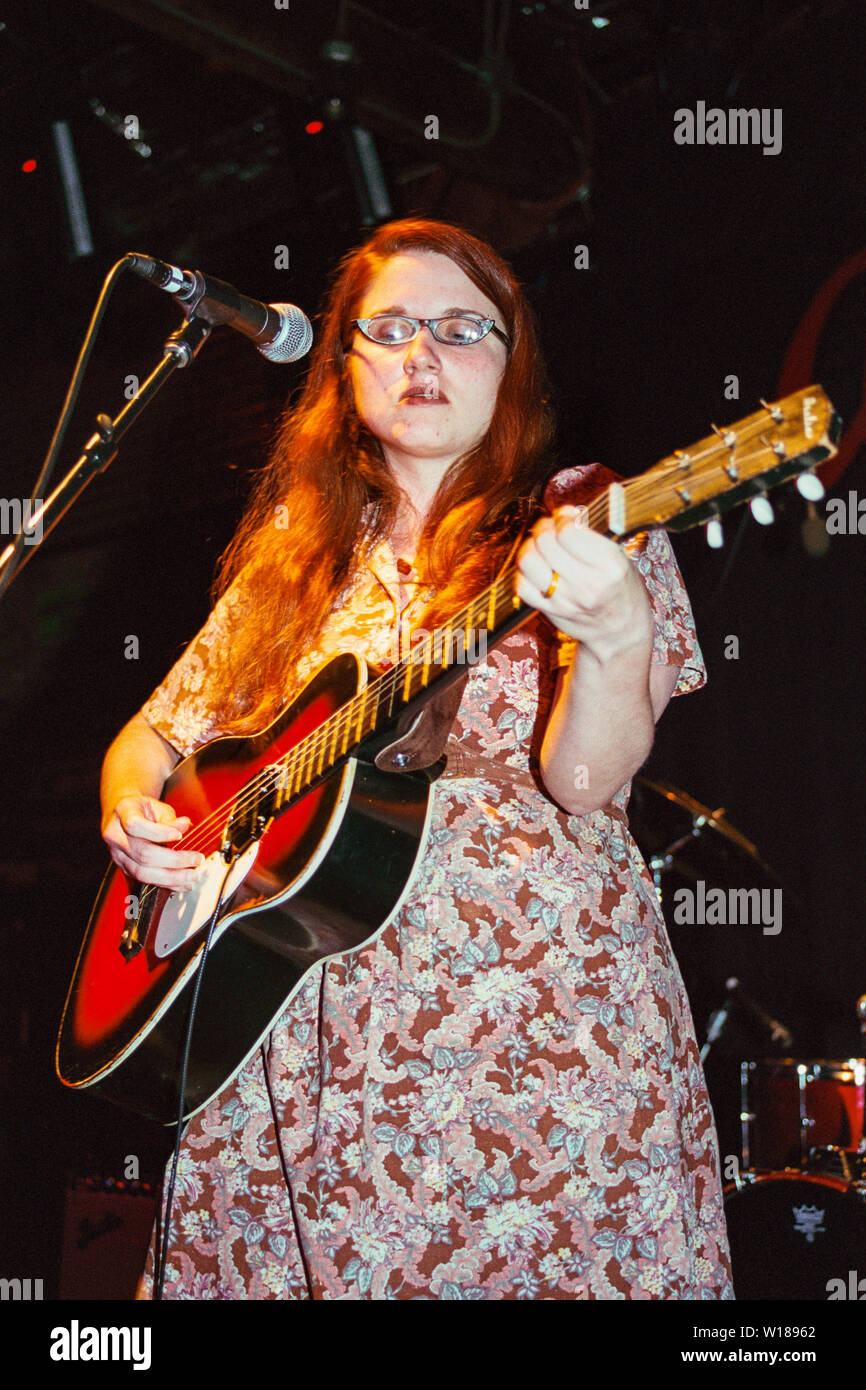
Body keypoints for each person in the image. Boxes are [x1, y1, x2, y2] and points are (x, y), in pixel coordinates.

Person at [100, 217, 733, 1300]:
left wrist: (616, 628)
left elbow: (584, 784)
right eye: (385, 329)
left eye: (458, 326)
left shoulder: (584, 518)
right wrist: (131, 813)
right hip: (289, 1029)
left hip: (527, 1031)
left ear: (509, 361)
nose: (420, 354)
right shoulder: (291, 564)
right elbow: (154, 735)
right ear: (341, 369)